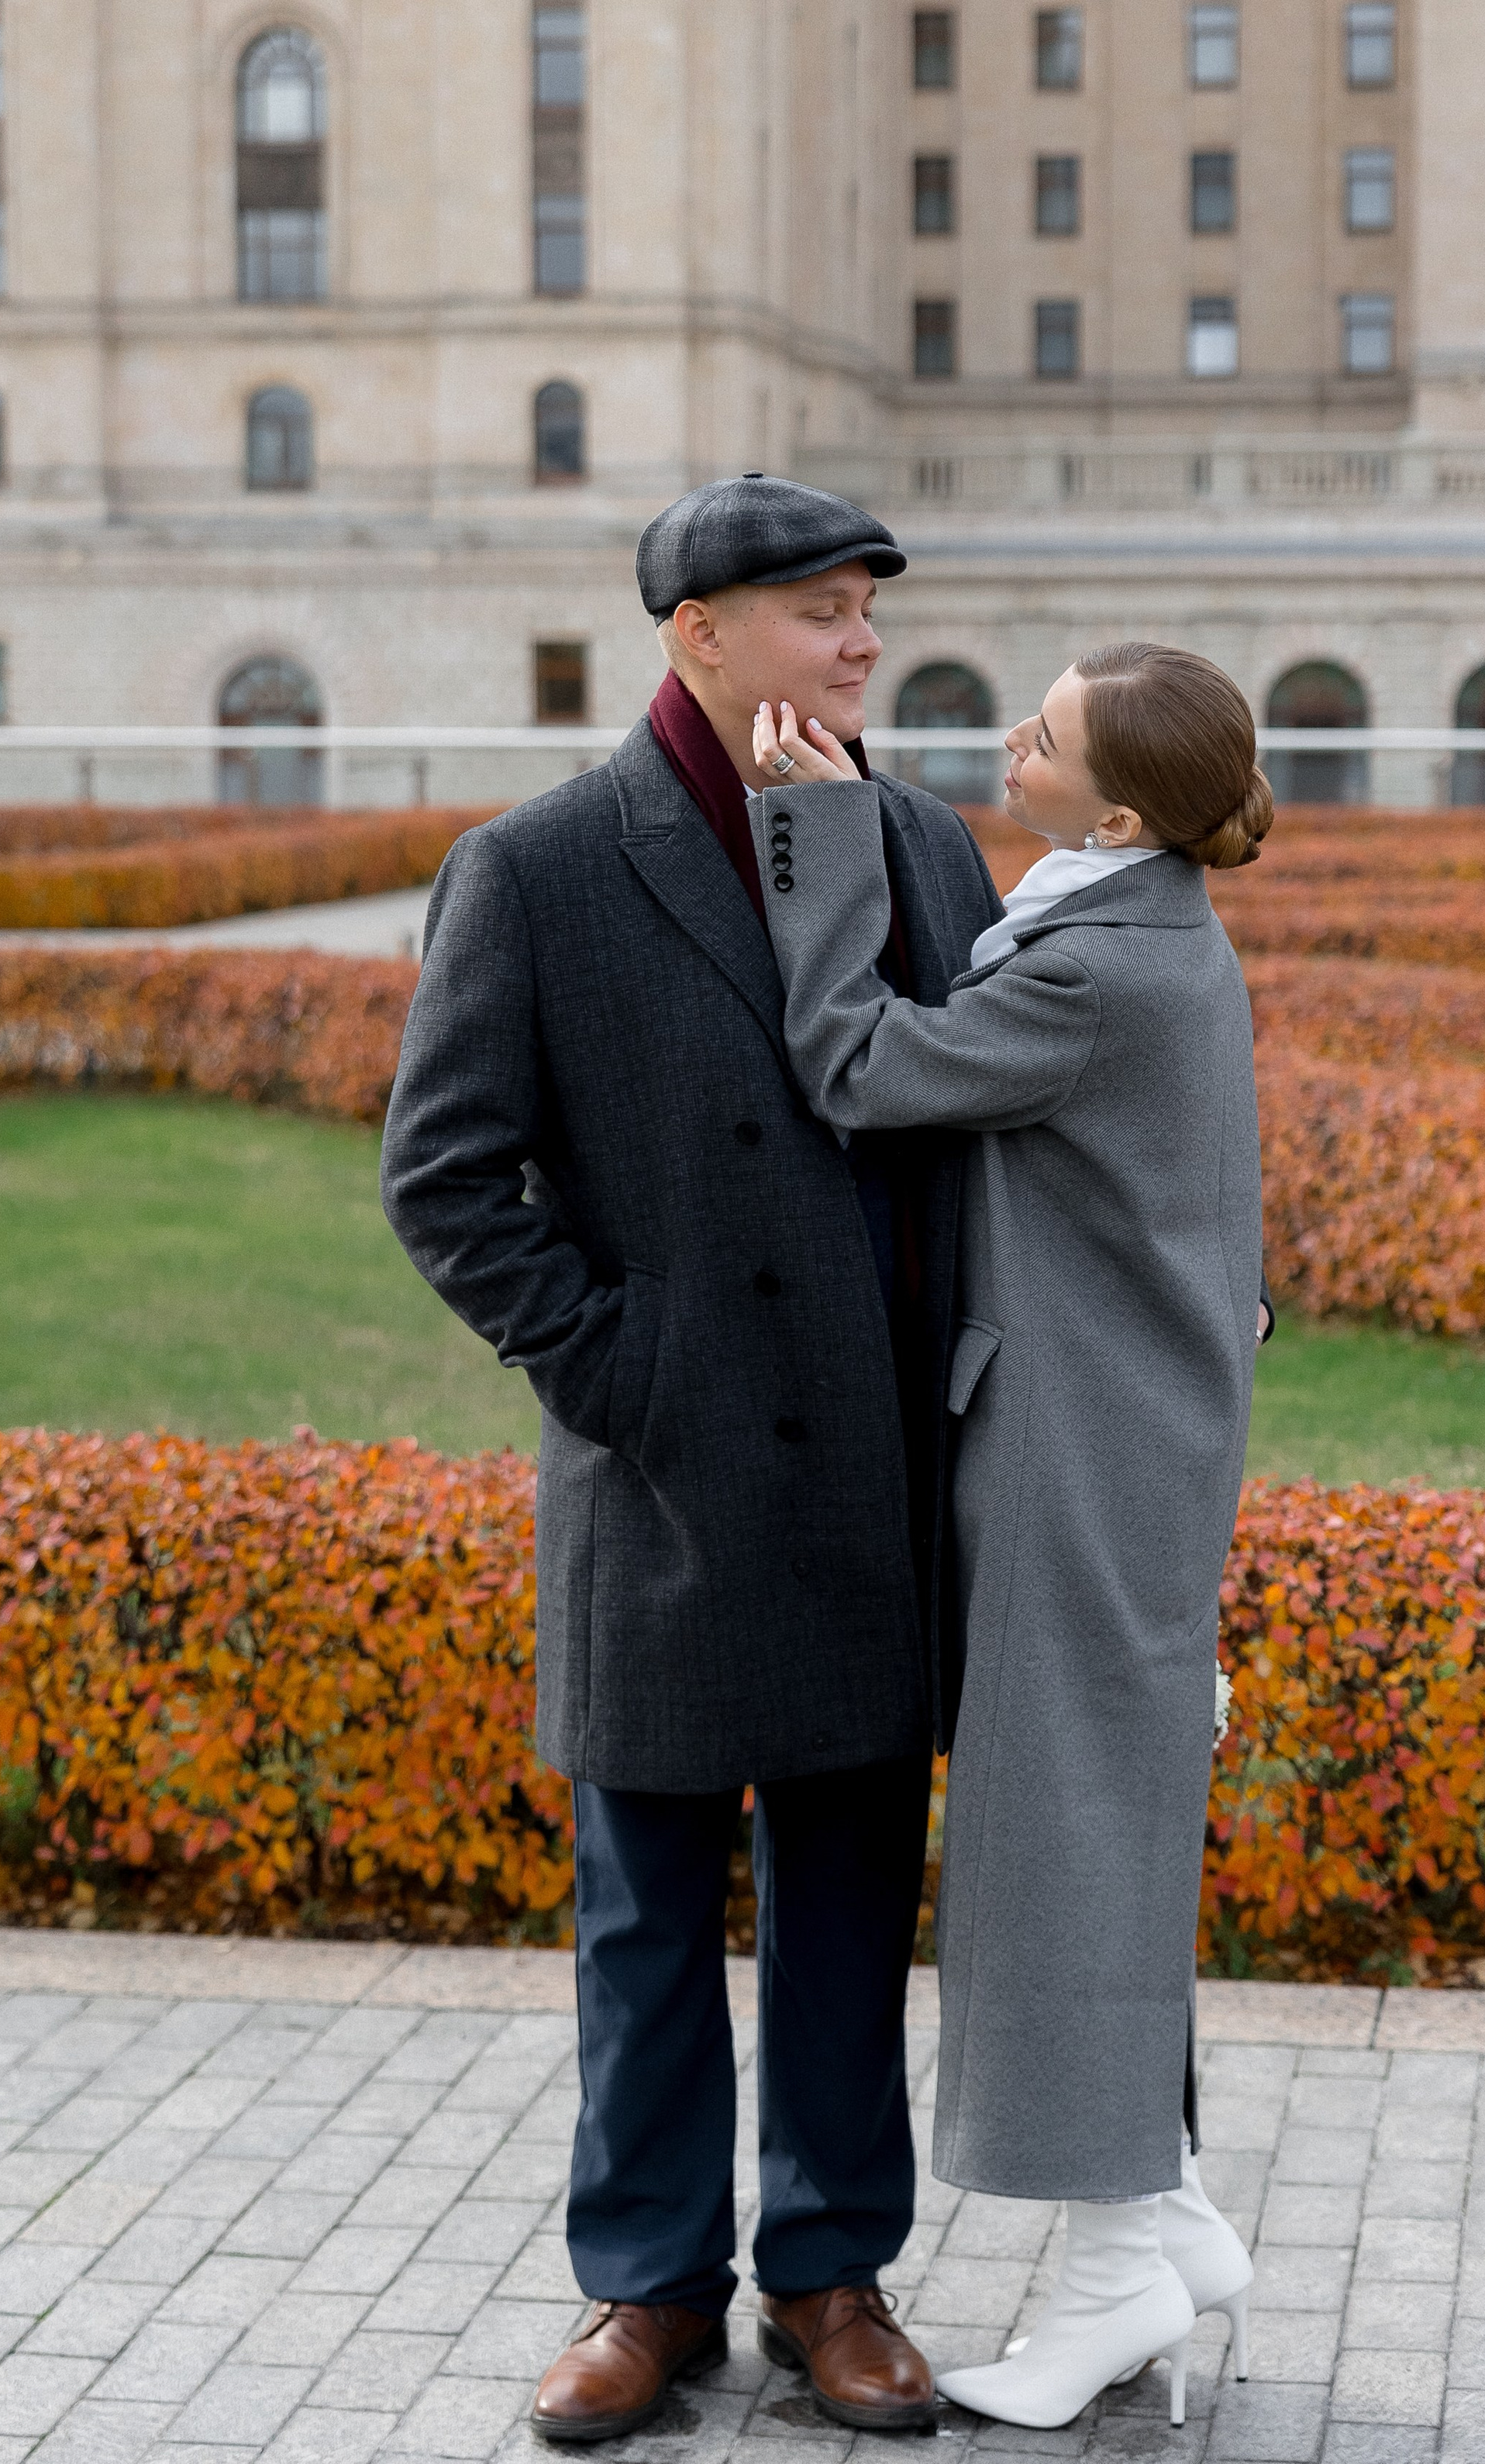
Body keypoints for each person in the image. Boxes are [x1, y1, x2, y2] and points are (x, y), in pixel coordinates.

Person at [379, 474, 1003, 2445]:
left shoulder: (919, 840)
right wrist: (621, 1366)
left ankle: (830, 2275)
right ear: (698, 633)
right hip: (657, 1472)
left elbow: (993, 1127)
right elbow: (443, 1176)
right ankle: (645, 2286)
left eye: (865, 608)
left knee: (846, 1900)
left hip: (870, 1468)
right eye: (819, 609)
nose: (859, 640)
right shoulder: (540, 865)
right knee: (644, 1914)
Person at [744, 642, 1270, 2432]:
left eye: (1040, 739)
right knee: (1087, 1830)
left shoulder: (1101, 968)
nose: (1007, 744)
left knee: (1057, 1853)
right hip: (1112, 1445)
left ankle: (1116, 2280)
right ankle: (1159, 2224)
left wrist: (818, 836)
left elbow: (856, 1065)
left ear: (1113, 815)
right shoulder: (1136, 919)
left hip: (1084, 1461)